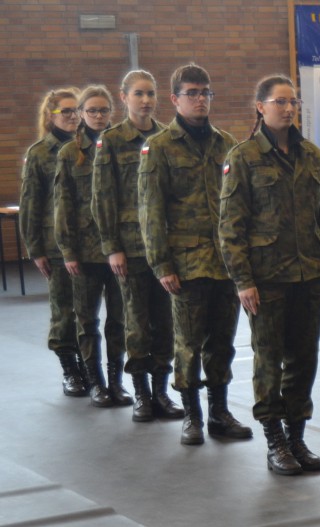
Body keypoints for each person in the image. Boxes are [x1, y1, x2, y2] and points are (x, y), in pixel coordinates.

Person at [219, 75, 320, 475]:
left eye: (293, 102)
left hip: (308, 276)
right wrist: (242, 280)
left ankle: (297, 435)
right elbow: (231, 226)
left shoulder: (313, 156)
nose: (288, 108)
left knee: (304, 359)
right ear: (260, 106)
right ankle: (274, 439)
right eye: (280, 102)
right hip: (266, 278)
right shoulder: (244, 157)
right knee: (269, 359)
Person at [139, 63, 253, 445]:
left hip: (225, 262)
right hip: (185, 263)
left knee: (223, 340)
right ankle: (192, 415)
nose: (201, 99)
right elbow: (150, 210)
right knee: (187, 343)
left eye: (206, 93)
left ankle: (220, 412)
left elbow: (240, 206)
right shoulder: (159, 147)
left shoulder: (225, 143)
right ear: (174, 99)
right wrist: (161, 263)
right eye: (192, 93)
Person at [93, 69, 183, 422]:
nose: (146, 100)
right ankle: (142, 393)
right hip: (130, 248)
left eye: (151, 94)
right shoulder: (112, 141)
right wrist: (111, 246)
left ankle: (161, 391)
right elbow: (102, 197)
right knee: (137, 321)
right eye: (139, 94)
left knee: (166, 321)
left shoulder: (166, 137)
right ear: (124, 97)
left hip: (164, 246)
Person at [53, 85, 131, 408]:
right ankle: (95, 382)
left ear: (111, 112)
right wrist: (67, 251)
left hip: (120, 250)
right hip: (85, 252)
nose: (99, 116)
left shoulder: (122, 147)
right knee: (86, 321)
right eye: (92, 111)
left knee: (119, 319)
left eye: (103, 111)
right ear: (82, 114)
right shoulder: (69, 153)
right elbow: (63, 205)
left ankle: (116, 381)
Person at [20, 87, 87, 397]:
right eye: (67, 111)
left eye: (77, 110)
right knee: (65, 310)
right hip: (56, 245)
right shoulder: (39, 153)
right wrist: (35, 249)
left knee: (88, 311)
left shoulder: (90, 144)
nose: (74, 116)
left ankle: (90, 366)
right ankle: (70, 370)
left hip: (89, 243)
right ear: (51, 116)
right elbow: (31, 203)